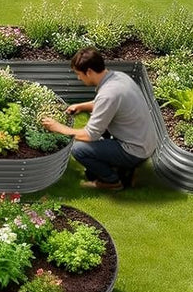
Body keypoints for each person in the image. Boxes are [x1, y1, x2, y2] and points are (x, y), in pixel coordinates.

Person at [41, 48, 158, 190]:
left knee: (79, 150)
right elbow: (108, 104)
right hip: (145, 140)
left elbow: (90, 135)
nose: (79, 78)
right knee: (97, 122)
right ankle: (119, 166)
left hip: (135, 150)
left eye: (79, 74)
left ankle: (112, 181)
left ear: (89, 71)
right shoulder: (119, 77)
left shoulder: (108, 94)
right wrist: (82, 106)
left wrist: (58, 127)